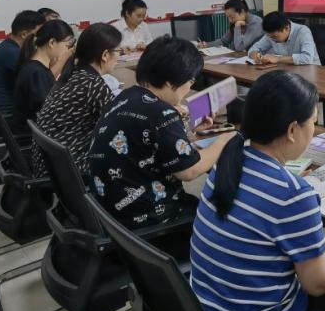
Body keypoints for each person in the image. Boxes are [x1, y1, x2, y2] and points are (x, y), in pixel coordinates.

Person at [190, 72, 325, 311]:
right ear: (292, 130)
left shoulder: (227, 161)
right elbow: (317, 285)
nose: (314, 131)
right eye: (313, 123)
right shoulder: (294, 196)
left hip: (206, 310)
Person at [90, 37, 235, 244]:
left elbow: (151, 144)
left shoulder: (127, 95)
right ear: (169, 82)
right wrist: (224, 140)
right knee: (225, 210)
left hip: (110, 211)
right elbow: (189, 171)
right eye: (190, 81)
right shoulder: (161, 112)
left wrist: (187, 133)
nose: (190, 86)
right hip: (147, 220)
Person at [31, 23, 121, 177]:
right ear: (105, 55)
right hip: (67, 169)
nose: (120, 57)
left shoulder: (72, 73)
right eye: (119, 51)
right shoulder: (91, 83)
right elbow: (120, 123)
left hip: (49, 163)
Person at [12, 19, 75, 130]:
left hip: (34, 129)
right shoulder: (37, 73)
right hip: (33, 133)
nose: (67, 50)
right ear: (52, 43)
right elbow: (49, 112)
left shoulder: (33, 67)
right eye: (67, 46)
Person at [0, 10, 44, 109]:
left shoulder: (9, 45)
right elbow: (36, 86)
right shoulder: (13, 53)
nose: (42, 37)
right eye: (39, 34)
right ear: (24, 34)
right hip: (1, 110)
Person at [248, 11, 320, 66]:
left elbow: (307, 58)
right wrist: (256, 56)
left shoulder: (303, 31)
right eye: (269, 36)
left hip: (311, 71)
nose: (272, 39)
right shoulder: (271, 34)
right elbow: (254, 48)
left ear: (286, 28)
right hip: (288, 70)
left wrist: (278, 59)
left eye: (274, 37)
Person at [199, 0, 264, 52]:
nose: (230, 20)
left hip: (259, 57)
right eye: (228, 17)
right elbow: (224, 41)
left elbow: (240, 47)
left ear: (242, 12)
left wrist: (237, 27)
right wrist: (207, 45)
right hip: (243, 56)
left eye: (232, 17)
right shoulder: (236, 22)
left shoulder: (256, 22)